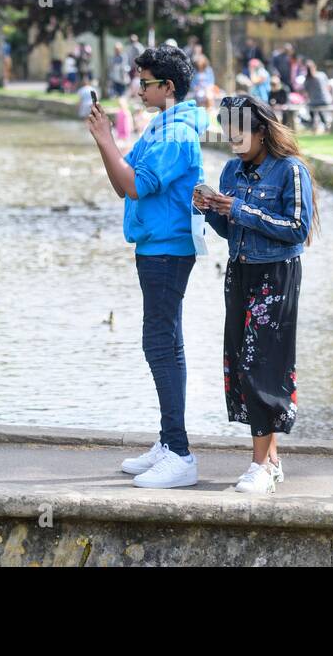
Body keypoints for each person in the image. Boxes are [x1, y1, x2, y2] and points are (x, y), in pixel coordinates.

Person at [85, 45, 208, 489]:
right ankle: (168, 441)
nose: (139, 89)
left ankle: (179, 453)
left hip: (168, 249)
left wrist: (104, 139)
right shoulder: (162, 125)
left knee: (161, 344)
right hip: (155, 246)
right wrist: (108, 145)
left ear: (168, 87)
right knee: (162, 340)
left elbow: (133, 184)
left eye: (146, 82)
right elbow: (123, 185)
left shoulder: (176, 135)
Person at [194, 96, 316, 494]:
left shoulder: (290, 171)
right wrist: (213, 209)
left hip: (276, 275)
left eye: (239, 130)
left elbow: (297, 229)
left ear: (262, 130)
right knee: (240, 364)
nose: (231, 138)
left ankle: (259, 465)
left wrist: (240, 209)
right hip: (240, 272)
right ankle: (272, 461)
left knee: (261, 364)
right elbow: (233, 233)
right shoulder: (231, 170)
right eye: (227, 129)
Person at [301, 59, 332, 133]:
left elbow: (306, 93)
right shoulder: (321, 75)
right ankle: (325, 125)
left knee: (311, 107)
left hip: (315, 101)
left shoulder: (307, 79)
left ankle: (313, 125)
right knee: (319, 109)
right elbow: (328, 87)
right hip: (326, 100)